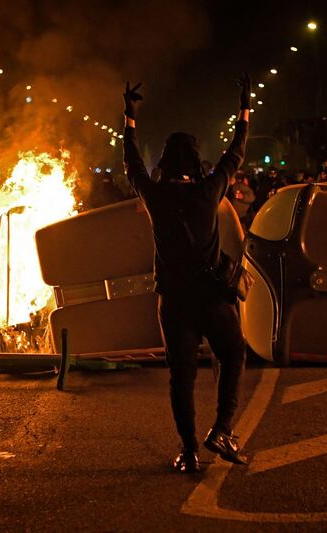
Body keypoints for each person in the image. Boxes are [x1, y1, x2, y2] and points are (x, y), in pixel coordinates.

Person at [123, 75, 250, 473]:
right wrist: (244, 111)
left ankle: (190, 452)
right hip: (212, 298)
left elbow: (131, 164)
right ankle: (223, 429)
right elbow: (235, 155)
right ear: (196, 161)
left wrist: (129, 117)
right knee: (233, 353)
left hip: (174, 303)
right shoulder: (209, 191)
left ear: (164, 161)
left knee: (182, 377)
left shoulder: (155, 196)